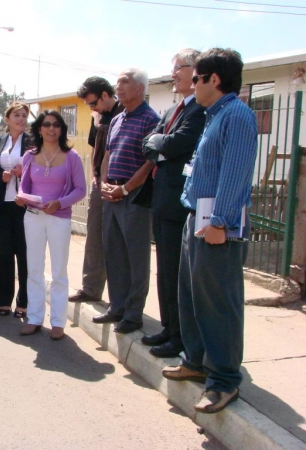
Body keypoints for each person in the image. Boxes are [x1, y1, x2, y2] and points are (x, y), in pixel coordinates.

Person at [162, 48, 258, 414]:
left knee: (219, 305)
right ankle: (198, 362)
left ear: (213, 80)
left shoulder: (236, 115)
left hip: (217, 224)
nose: (191, 83)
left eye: (197, 78)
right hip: (197, 218)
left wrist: (219, 222)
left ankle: (224, 382)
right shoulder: (213, 115)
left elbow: (234, 175)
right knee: (192, 298)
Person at [140, 49, 205, 358]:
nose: (174, 73)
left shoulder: (200, 111)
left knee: (178, 273)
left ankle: (180, 337)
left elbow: (179, 144)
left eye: (180, 67)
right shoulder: (170, 111)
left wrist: (161, 147)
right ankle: (168, 328)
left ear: (197, 72)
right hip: (162, 201)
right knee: (164, 271)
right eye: (174, 67)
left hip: (181, 205)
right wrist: (161, 148)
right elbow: (149, 144)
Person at [93, 68, 160, 334]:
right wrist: (107, 182)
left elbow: (150, 162)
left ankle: (133, 314)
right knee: (114, 253)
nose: (118, 87)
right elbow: (108, 154)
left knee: (136, 257)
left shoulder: (150, 120)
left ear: (140, 88)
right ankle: (117, 306)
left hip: (134, 197)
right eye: (117, 82)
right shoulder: (117, 119)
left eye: (124, 82)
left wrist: (126, 188)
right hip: (112, 195)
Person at [16, 110, 86, 340]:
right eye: (46, 124)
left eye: (56, 124)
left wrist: (60, 203)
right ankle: (34, 318)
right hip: (33, 217)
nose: (51, 128)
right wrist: (21, 198)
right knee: (34, 269)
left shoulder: (71, 156)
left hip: (60, 218)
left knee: (58, 271)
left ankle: (58, 322)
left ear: (61, 129)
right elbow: (23, 188)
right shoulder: (29, 156)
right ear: (39, 128)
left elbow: (81, 189)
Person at [69, 77, 123, 304]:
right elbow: (96, 150)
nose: (91, 108)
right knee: (94, 237)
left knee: (118, 244)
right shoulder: (98, 117)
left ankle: (121, 299)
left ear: (105, 95)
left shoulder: (125, 113)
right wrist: (95, 176)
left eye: (93, 103)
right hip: (99, 184)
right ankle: (91, 288)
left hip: (122, 187)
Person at [0, 102, 33, 318]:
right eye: (16, 115)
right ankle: (3, 302)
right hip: (2, 205)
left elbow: (41, 169)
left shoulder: (33, 142)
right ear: (7, 119)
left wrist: (24, 172)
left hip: (24, 205)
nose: (21, 119)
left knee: (24, 254)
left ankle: (24, 303)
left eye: (24, 115)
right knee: (3, 254)